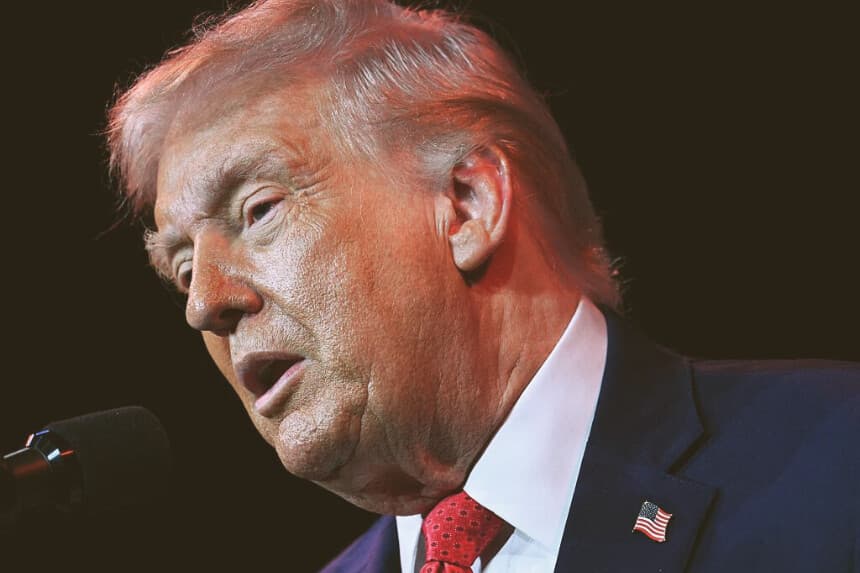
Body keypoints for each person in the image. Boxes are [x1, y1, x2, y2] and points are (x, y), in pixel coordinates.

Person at [106, 1, 859, 571]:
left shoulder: (836, 459)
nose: (205, 301)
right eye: (179, 269)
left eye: (259, 210)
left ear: (467, 203)